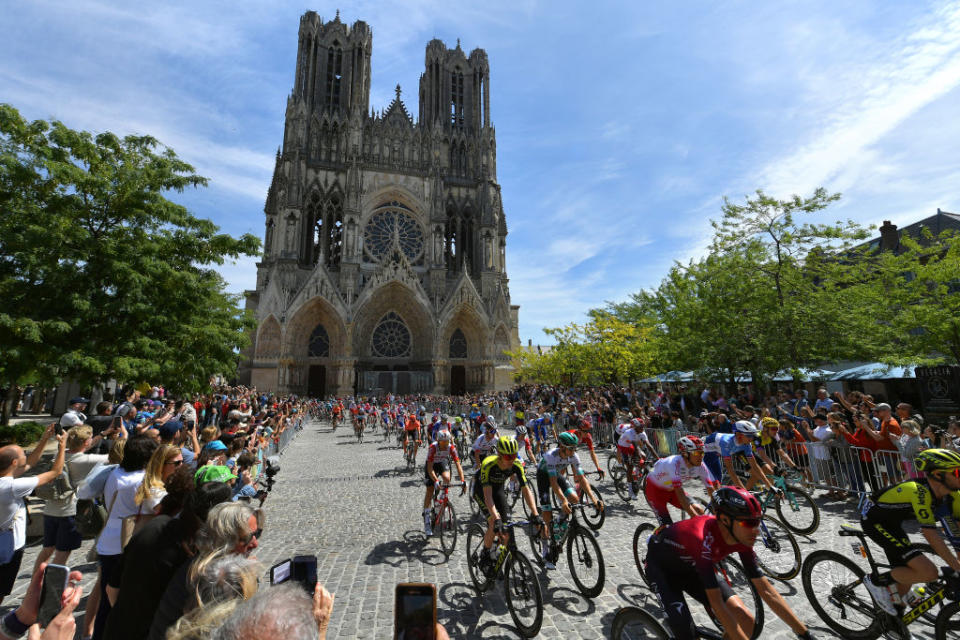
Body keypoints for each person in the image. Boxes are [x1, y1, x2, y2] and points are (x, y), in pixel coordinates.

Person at [644, 486, 815, 640]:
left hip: (692, 568)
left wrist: (803, 633)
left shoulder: (742, 538)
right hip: (663, 570)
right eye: (748, 522)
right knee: (685, 632)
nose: (756, 530)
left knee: (746, 621)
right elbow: (716, 604)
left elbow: (766, 590)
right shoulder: (701, 538)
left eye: (757, 521)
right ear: (725, 520)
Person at [860, 448, 960, 615]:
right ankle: (875, 581)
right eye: (957, 471)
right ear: (937, 474)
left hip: (894, 523)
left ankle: (895, 620)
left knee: (908, 575)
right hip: (874, 521)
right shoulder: (919, 491)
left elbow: (957, 532)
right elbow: (930, 534)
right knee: (929, 572)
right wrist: (956, 567)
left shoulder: (954, 495)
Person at [91, 437, 159, 640]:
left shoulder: (114, 471)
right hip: (126, 541)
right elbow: (157, 507)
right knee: (121, 600)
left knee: (106, 599)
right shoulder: (142, 480)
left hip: (108, 539)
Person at [0, 425, 66, 606]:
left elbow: (31, 463)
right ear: (14, 463)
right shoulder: (12, 487)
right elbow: (55, 472)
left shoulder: (6, 480)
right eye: (22, 453)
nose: (25, 454)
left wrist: (45, 439)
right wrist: (62, 447)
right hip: (9, 545)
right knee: (2, 587)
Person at [33, 425, 108, 574]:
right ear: (86, 442)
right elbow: (117, 455)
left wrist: (103, 433)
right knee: (62, 553)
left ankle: (35, 583)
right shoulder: (88, 460)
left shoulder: (59, 455)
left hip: (50, 510)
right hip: (70, 512)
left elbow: (81, 446)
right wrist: (122, 435)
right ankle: (51, 589)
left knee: (47, 550)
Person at [472, 436, 542, 576]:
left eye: (514, 455)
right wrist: (496, 517)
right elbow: (487, 496)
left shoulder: (516, 464)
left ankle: (496, 553)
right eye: (507, 456)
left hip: (498, 490)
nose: (511, 459)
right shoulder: (488, 464)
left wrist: (535, 513)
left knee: (507, 527)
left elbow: (526, 490)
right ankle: (485, 554)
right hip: (482, 490)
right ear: (499, 454)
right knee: (493, 522)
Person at [534, 432, 601, 569]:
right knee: (547, 514)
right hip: (543, 477)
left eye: (574, 448)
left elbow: (582, 478)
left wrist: (594, 499)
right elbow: (553, 483)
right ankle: (546, 551)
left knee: (574, 498)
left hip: (556, 475)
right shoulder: (551, 456)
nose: (573, 451)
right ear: (562, 447)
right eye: (571, 448)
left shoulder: (573, 456)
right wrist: (563, 501)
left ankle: (558, 523)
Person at [643, 435, 718, 525]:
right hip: (655, 491)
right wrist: (694, 517)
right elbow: (680, 494)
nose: (701, 457)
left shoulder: (701, 466)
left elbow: (711, 491)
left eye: (702, 453)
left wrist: (719, 515)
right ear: (685, 453)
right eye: (697, 453)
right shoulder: (673, 463)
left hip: (672, 490)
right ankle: (653, 538)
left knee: (700, 512)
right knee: (667, 527)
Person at [422, 430, 466, 536]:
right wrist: (436, 481)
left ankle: (442, 499)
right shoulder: (433, 447)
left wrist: (463, 480)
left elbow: (458, 464)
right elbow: (429, 468)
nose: (446, 445)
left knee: (447, 478)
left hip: (442, 461)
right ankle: (427, 519)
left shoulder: (451, 448)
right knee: (430, 489)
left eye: (447, 442)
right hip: (432, 465)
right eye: (443, 443)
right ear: (438, 441)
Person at [616, 418, 658, 500]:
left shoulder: (642, 432)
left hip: (630, 446)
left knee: (644, 456)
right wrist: (640, 458)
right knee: (630, 467)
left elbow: (650, 446)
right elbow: (636, 447)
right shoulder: (630, 432)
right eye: (640, 427)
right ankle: (630, 491)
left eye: (643, 426)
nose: (642, 429)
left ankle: (637, 473)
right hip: (623, 446)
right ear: (635, 427)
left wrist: (658, 458)